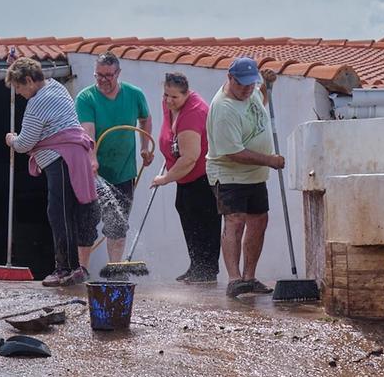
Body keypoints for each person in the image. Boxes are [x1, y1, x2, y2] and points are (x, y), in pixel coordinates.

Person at [4, 57, 99, 287]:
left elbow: (26, 142)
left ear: (28, 80)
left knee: (60, 214)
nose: (18, 93)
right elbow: (34, 72)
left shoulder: (37, 104)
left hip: (62, 161)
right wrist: (17, 63)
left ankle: (65, 269)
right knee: (69, 213)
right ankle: (73, 267)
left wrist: (12, 140)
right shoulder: (56, 87)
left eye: (18, 87)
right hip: (75, 159)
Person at [205, 57, 284, 298]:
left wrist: (266, 87)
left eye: (251, 84)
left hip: (255, 175)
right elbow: (234, 153)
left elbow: (261, 100)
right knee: (235, 221)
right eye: (242, 85)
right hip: (229, 173)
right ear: (230, 78)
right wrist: (270, 160)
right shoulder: (223, 108)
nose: (247, 89)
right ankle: (234, 279)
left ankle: (249, 277)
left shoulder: (251, 93)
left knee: (259, 220)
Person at [75, 52, 152, 269]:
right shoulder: (86, 98)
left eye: (108, 75)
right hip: (93, 173)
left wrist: (145, 148)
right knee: (87, 224)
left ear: (118, 73)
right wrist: (92, 159)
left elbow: (145, 118)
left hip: (124, 171)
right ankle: (82, 270)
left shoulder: (134, 94)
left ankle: (115, 269)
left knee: (117, 225)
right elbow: (87, 132)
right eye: (98, 75)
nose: (103, 80)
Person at [150, 72, 219, 283]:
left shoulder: (194, 113)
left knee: (204, 221)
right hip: (185, 179)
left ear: (186, 94)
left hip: (203, 177)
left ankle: (206, 271)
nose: (169, 101)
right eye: (166, 96)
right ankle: (196, 265)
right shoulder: (169, 105)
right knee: (186, 212)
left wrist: (165, 179)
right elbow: (172, 138)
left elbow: (190, 158)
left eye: (174, 97)